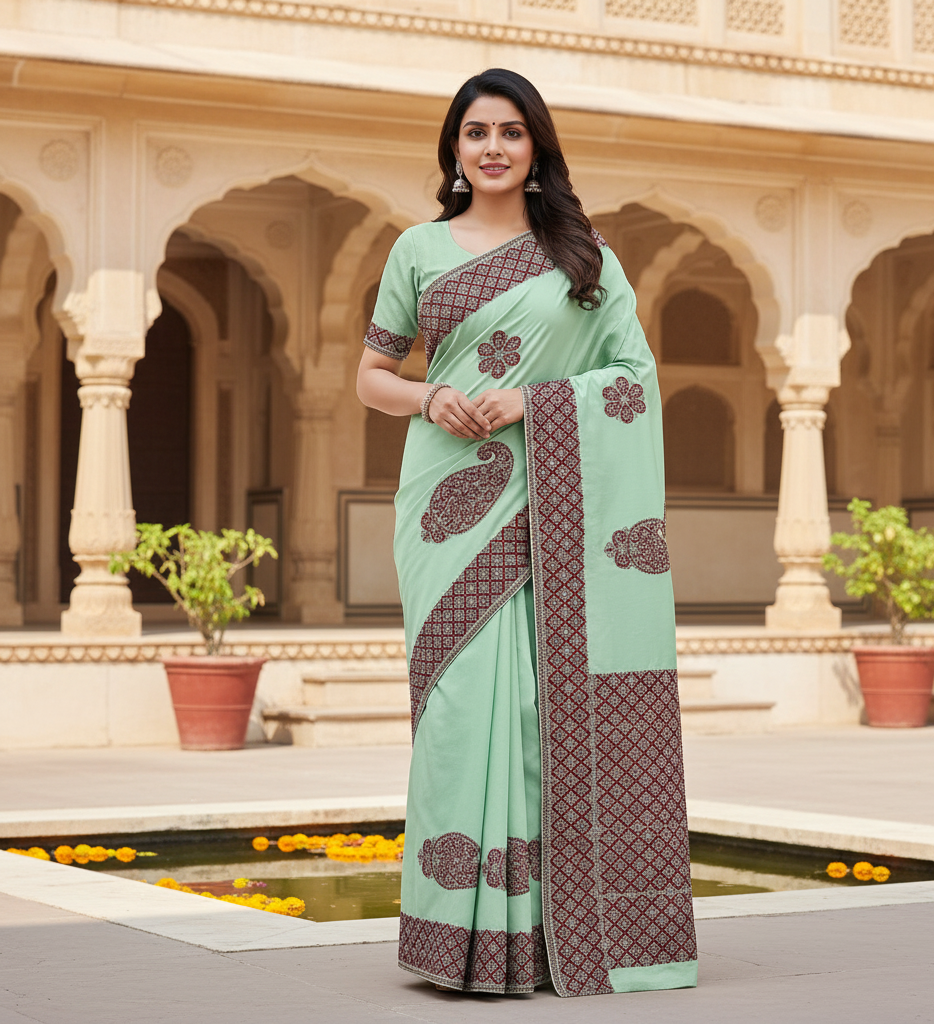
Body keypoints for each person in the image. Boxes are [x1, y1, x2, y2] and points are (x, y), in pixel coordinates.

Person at [356, 68, 696, 999]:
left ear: (536, 146)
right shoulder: (418, 249)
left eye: (511, 131)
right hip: (446, 498)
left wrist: (535, 402)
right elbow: (370, 377)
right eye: (475, 133)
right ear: (454, 149)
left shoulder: (584, 256)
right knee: (465, 706)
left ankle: (546, 937)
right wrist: (433, 393)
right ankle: (457, 936)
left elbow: (632, 380)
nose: (493, 147)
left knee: (544, 711)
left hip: (555, 499)